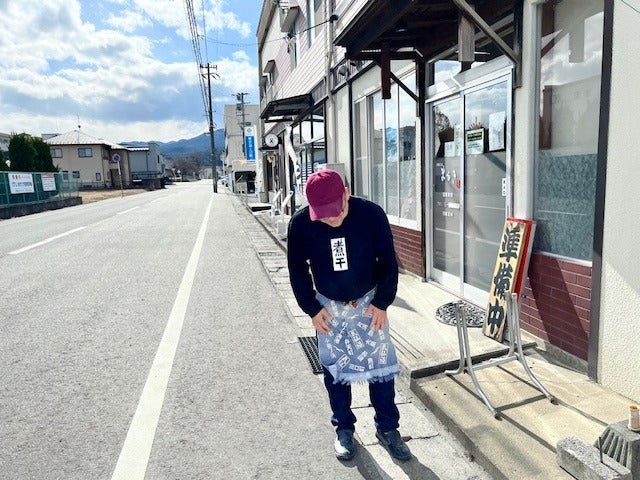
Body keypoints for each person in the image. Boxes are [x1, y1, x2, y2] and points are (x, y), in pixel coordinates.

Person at [287, 169, 411, 462]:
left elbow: (388, 262)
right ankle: (343, 428)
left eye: (336, 211)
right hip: (328, 307)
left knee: (381, 370)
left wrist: (382, 302)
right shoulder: (301, 224)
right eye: (323, 215)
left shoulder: (371, 215)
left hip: (369, 303)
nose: (331, 219)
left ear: (347, 193)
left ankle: (387, 428)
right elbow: (297, 269)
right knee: (335, 372)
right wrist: (311, 309)